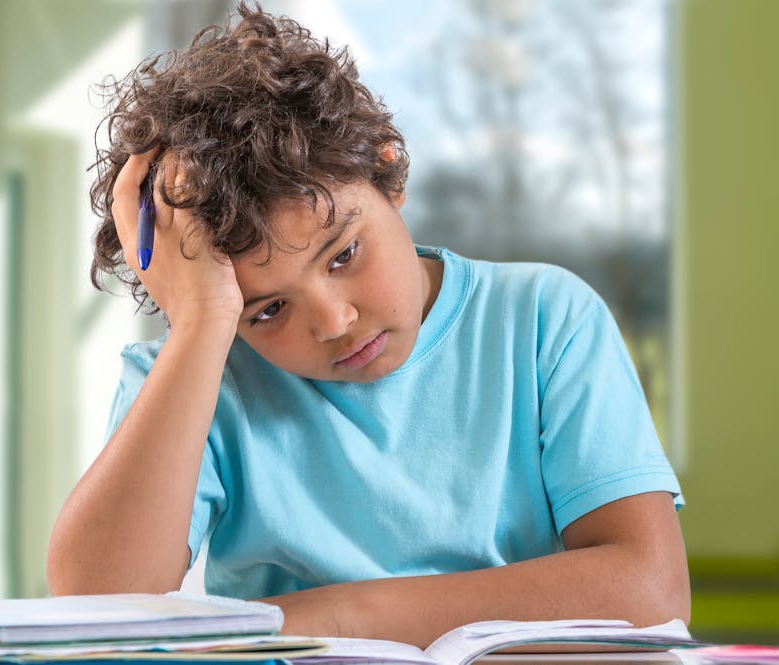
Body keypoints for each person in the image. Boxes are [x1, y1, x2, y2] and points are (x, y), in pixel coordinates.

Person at [47, 2, 690, 648]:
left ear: (388, 170)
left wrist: (338, 617)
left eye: (344, 254)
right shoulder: (196, 374)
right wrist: (200, 328)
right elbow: (98, 611)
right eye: (266, 310)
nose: (334, 321)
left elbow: (649, 590)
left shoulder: (547, 322)